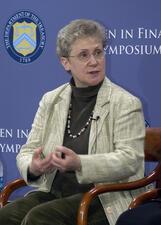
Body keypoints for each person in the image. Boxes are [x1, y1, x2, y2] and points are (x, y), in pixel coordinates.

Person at [0, 19, 146, 225]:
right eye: (84, 55)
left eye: (98, 52)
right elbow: (27, 151)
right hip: (55, 191)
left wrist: (80, 163)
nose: (94, 61)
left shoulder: (125, 103)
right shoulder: (51, 100)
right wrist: (34, 167)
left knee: (39, 218)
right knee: (5, 216)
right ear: (65, 62)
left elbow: (130, 160)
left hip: (102, 196)